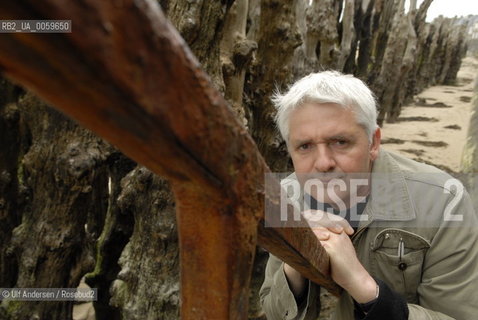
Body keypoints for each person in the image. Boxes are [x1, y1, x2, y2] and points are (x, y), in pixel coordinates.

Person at [260, 71, 478, 320]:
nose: (323, 163)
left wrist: (366, 289)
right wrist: (296, 258)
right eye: (305, 146)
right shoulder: (284, 197)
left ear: (373, 143)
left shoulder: (443, 201)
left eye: (340, 142)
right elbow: (274, 311)